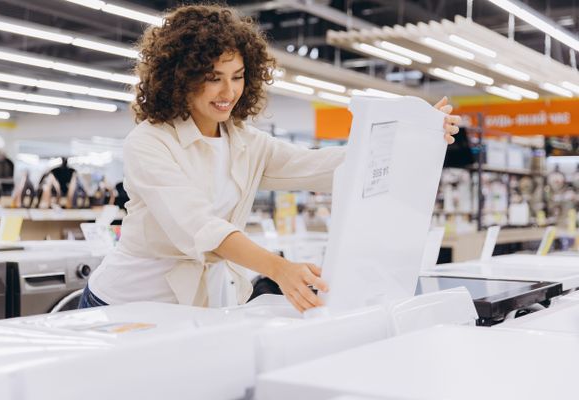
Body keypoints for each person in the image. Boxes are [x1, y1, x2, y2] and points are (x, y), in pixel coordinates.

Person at [80, 4, 460, 312]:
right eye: (213, 77)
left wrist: (415, 136)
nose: (228, 91)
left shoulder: (244, 141)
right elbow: (200, 227)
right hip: (123, 304)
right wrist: (278, 268)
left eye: (238, 75)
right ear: (180, 77)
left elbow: (323, 166)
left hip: (192, 309)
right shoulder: (149, 143)